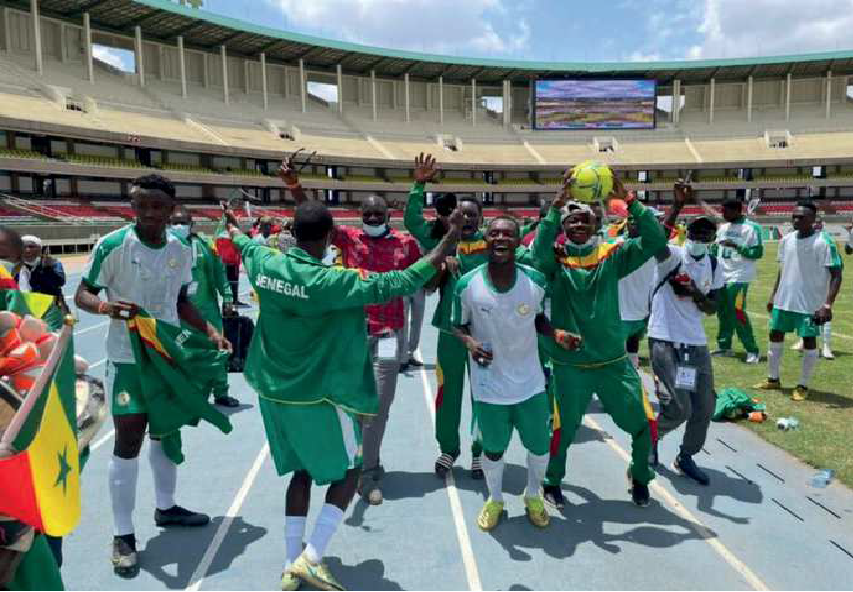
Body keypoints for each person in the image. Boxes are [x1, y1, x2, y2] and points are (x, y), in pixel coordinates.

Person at [225, 195, 463, 591]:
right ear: (325, 241)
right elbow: (404, 281)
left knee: (300, 473)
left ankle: (289, 563)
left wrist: (230, 222)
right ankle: (312, 556)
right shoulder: (332, 281)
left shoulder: (263, 261)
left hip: (272, 391)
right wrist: (450, 237)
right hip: (317, 395)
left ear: (293, 233)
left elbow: (241, 242)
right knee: (351, 470)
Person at [74, 175, 230, 576]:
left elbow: (180, 302)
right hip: (127, 359)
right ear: (132, 206)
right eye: (141, 205)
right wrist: (107, 309)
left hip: (166, 354)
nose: (148, 213)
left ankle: (166, 507)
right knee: (129, 439)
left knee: (165, 430)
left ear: (170, 208)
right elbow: (83, 294)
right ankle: (123, 534)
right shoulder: (112, 245)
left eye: (156, 206)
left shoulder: (180, 249)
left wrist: (210, 330)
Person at [282, 161, 422, 505]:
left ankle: (368, 471)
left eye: (378, 214)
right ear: (361, 216)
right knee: (345, 404)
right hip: (351, 335)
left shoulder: (406, 244)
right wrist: (295, 185)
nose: (372, 219)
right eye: (368, 214)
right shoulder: (349, 238)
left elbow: (424, 276)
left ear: (389, 215)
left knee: (377, 407)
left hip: (388, 337)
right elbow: (313, 217)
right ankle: (352, 461)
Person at [530, 174, 667, 509]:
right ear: (564, 225)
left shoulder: (612, 255)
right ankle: (552, 480)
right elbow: (538, 254)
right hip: (569, 365)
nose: (578, 223)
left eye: (585, 219)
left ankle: (639, 476)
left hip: (612, 362)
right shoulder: (555, 261)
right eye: (571, 220)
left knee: (645, 424)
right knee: (562, 432)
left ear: (596, 223)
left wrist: (631, 201)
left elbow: (654, 240)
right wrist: (555, 206)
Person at [452, 216, 581, 531]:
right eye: (494, 233)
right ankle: (495, 499)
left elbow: (539, 320)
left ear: (517, 240)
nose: (500, 238)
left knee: (539, 445)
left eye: (507, 234)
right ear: (486, 239)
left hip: (531, 383)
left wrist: (556, 334)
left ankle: (533, 495)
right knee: (493, 449)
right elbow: (457, 324)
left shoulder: (535, 281)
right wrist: (469, 342)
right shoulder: (467, 284)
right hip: (488, 384)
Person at [404, 154, 487, 479]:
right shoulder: (442, 242)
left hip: (487, 333)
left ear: (481, 219)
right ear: (453, 216)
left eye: (472, 215)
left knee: (484, 393)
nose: (466, 219)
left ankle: (481, 450)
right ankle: (448, 449)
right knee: (447, 390)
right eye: (461, 214)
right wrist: (419, 184)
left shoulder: (493, 244)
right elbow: (412, 221)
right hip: (450, 331)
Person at [648, 187, 723, 485]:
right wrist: (677, 207)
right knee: (678, 407)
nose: (700, 241)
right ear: (686, 234)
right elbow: (656, 240)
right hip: (665, 340)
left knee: (704, 406)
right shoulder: (674, 256)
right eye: (696, 235)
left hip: (695, 345)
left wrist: (694, 292)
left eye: (706, 237)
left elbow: (713, 306)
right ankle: (650, 441)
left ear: (712, 240)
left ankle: (686, 456)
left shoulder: (714, 264)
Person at [754, 201, 843, 401]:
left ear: (813, 219)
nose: (795, 220)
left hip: (810, 305)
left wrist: (827, 304)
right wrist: (773, 295)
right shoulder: (786, 240)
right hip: (784, 301)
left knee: (809, 341)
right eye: (794, 216)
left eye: (801, 217)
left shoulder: (824, 241)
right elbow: (782, 269)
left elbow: (836, 274)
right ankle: (773, 378)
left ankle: (803, 384)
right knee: (774, 335)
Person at [169, 206, 239, 408]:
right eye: (175, 222)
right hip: (177, 314)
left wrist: (227, 298)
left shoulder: (206, 246)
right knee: (181, 352)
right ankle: (187, 394)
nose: (179, 226)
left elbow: (219, 273)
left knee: (217, 349)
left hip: (207, 311)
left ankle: (221, 393)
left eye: (183, 222)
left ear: (192, 225)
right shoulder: (163, 247)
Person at [711, 197, 763, 363]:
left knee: (737, 311)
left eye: (725, 211)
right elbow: (716, 248)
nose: (722, 213)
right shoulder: (723, 227)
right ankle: (725, 347)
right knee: (723, 312)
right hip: (722, 276)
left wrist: (736, 246)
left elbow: (757, 253)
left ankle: (752, 349)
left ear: (736, 210)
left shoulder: (751, 228)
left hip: (740, 276)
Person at [618, 209, 665, 369]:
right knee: (616, 352)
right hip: (619, 308)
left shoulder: (657, 248)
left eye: (638, 220)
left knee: (634, 341)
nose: (634, 223)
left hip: (643, 306)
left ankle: (633, 363)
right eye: (631, 220)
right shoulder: (615, 244)